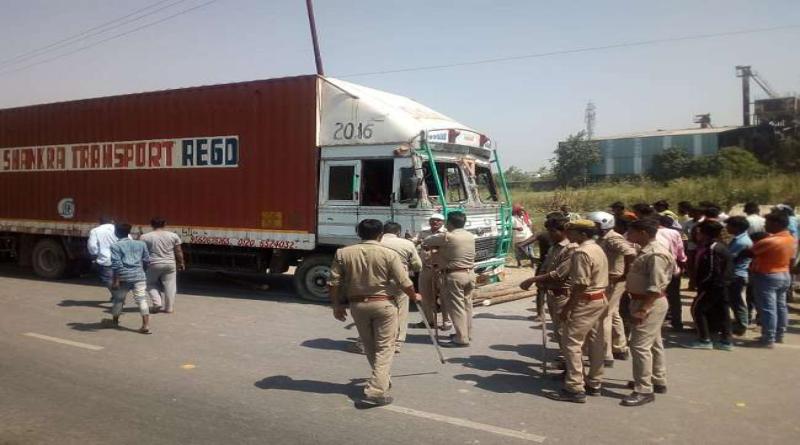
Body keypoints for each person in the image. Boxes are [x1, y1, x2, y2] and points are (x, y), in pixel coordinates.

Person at [328, 219, 421, 406]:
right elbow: (405, 282)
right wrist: (414, 296)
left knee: (370, 346)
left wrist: (337, 306)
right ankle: (376, 391)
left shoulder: (343, 253)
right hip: (383, 305)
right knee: (385, 347)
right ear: (380, 235)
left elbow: (333, 283)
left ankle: (382, 379)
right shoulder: (388, 254)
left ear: (358, 233)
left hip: (358, 307)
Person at [546, 220, 608, 403]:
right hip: (599, 298)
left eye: (571, 231)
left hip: (585, 300)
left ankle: (574, 387)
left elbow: (581, 284)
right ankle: (594, 382)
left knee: (571, 343)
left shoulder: (582, 252)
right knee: (596, 342)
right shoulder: (597, 248)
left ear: (582, 234)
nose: (568, 234)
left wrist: (568, 308)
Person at [621, 218, 675, 407]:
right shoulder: (646, 250)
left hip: (648, 302)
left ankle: (643, 389)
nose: (629, 235)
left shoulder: (655, 254)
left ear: (643, 232)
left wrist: (643, 309)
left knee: (639, 346)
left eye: (632, 231)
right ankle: (657, 379)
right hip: (643, 300)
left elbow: (655, 286)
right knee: (653, 343)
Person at [586, 211, 636, 367]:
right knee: (613, 313)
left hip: (613, 281)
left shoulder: (613, 238)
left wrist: (624, 274)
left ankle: (605, 354)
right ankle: (620, 346)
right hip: (610, 280)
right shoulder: (602, 238)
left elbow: (630, 252)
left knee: (604, 316)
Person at [520, 216, 576, 354]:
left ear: (563, 231)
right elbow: (546, 267)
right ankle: (565, 360)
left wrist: (532, 279)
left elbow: (559, 274)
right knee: (558, 331)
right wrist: (541, 281)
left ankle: (572, 368)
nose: (549, 234)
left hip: (564, 294)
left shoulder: (570, 249)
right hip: (552, 293)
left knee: (565, 332)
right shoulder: (554, 247)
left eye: (552, 231)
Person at [423, 211, 476, 347]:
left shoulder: (448, 236)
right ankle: (466, 333)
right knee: (467, 305)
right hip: (470, 273)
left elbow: (427, 241)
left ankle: (461, 338)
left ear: (449, 223)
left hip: (454, 275)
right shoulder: (470, 235)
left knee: (456, 307)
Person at [684, 220, 734, 350]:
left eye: (698, 232)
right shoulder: (718, 246)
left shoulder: (713, 248)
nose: (696, 235)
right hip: (722, 284)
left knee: (698, 309)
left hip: (713, 285)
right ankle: (726, 341)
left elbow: (713, 269)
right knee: (722, 311)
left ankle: (704, 339)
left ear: (705, 233)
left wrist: (702, 283)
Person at [748, 212, 796, 348]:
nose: (765, 225)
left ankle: (768, 338)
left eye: (767, 223)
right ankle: (779, 335)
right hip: (784, 273)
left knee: (768, 308)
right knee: (780, 306)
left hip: (767, 275)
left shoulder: (770, 241)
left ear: (777, 224)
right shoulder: (790, 238)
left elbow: (749, 252)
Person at [380, 221, 422, 353]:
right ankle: (397, 342)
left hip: (378, 280)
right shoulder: (407, 244)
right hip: (399, 279)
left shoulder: (376, 243)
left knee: (380, 309)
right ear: (398, 232)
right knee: (401, 311)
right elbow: (417, 266)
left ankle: (378, 339)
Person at [108, 223, 152, 334]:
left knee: (119, 299)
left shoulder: (115, 246)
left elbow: (116, 265)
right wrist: (142, 271)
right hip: (139, 275)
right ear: (129, 232)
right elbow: (147, 260)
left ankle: (115, 321)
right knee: (141, 299)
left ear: (116, 233)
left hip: (124, 276)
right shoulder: (141, 244)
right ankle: (145, 325)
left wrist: (115, 281)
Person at [410, 213, 450, 331]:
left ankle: (446, 321)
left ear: (442, 222)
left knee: (444, 297)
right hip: (426, 268)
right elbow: (414, 242)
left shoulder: (447, 234)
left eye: (438, 220)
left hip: (441, 269)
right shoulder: (423, 233)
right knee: (425, 296)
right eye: (433, 220)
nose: (435, 223)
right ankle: (429, 320)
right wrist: (412, 241)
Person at [140, 217, 185, 314]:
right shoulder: (173, 236)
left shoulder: (144, 237)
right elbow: (178, 251)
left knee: (149, 283)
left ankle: (157, 302)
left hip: (153, 264)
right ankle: (169, 308)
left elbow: (140, 252)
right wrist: (181, 262)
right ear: (165, 224)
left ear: (151, 225)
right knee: (170, 285)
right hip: (170, 264)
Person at [656, 215, 687, 331]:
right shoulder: (675, 233)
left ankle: (658, 320)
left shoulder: (654, 232)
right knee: (674, 296)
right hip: (673, 267)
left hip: (658, 267)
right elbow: (681, 253)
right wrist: (682, 266)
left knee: (657, 294)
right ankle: (677, 322)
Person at [724, 216, 752, 335]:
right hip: (736, 274)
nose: (727, 227)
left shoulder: (742, 242)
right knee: (734, 300)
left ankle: (742, 325)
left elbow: (730, 257)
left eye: (729, 225)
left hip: (737, 274)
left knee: (737, 301)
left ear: (737, 227)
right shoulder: (738, 239)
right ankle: (739, 322)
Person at [87, 216, 118, 299]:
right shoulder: (119, 228)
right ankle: (116, 295)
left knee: (108, 279)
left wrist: (95, 255)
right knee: (118, 278)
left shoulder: (95, 231)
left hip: (106, 259)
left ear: (100, 222)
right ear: (111, 221)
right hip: (120, 258)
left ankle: (117, 296)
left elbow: (92, 246)